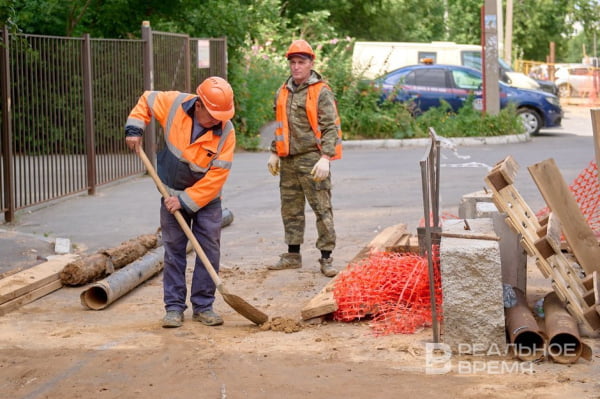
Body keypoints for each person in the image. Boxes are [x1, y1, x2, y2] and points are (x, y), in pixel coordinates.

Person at [124, 76, 236, 328]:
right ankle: (174, 307)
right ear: (199, 105)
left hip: (206, 198)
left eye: (222, 114)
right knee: (174, 251)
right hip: (169, 191)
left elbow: (217, 176)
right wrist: (135, 128)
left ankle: (204, 306)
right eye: (214, 114)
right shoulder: (174, 104)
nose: (219, 120)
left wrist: (184, 201)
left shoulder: (226, 131)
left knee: (209, 249)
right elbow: (147, 100)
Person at [267, 39, 343, 278]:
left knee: (322, 208)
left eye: (301, 62)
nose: (296, 67)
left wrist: (326, 157)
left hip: (312, 158)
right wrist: (273, 152)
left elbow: (330, 127)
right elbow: (280, 125)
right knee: (290, 209)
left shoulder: (321, 91)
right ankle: (292, 254)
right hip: (288, 159)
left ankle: (326, 256)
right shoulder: (283, 90)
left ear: (311, 63)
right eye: (293, 62)